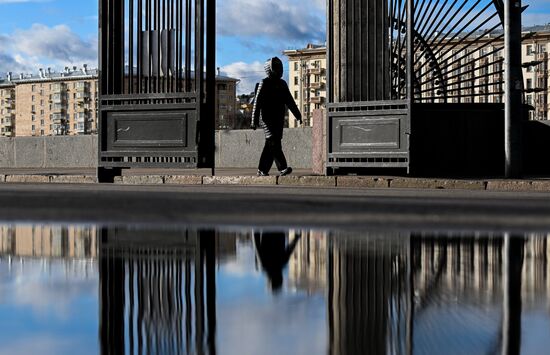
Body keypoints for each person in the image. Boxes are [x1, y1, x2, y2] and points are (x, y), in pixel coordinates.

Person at [251, 57, 302, 176]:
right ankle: (282, 167)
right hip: (267, 119)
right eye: (276, 67)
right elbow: (257, 102)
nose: (279, 69)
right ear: (269, 69)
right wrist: (254, 120)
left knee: (270, 145)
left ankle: (262, 170)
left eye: (280, 67)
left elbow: (289, 101)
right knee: (274, 143)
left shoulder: (282, 84)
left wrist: (297, 114)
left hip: (278, 119)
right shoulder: (264, 83)